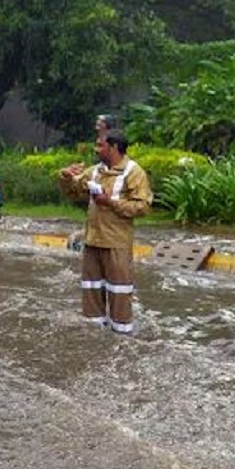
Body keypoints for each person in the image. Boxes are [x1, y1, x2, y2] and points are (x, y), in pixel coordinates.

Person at [58, 130, 153, 334]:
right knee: (91, 294)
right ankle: (94, 340)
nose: (96, 149)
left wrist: (110, 203)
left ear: (114, 148)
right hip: (92, 242)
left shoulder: (134, 172)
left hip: (116, 244)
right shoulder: (95, 171)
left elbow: (142, 207)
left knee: (119, 295)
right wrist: (66, 177)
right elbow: (73, 192)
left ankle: (122, 339)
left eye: (101, 145)